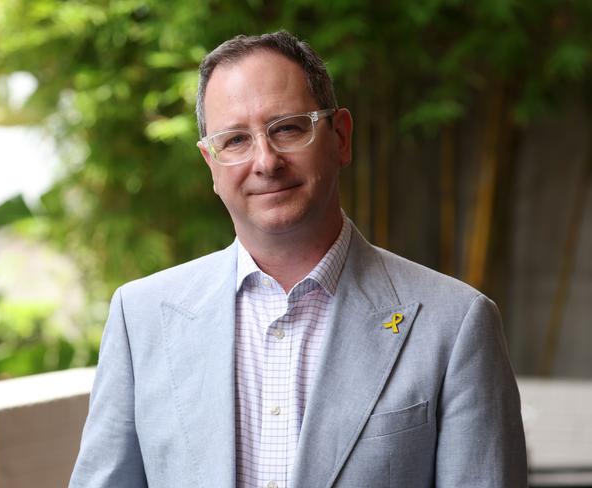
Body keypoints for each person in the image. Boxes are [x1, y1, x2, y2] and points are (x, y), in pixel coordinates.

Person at [69, 31, 527, 488]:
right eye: (234, 141)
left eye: (287, 128)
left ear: (341, 137)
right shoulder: (142, 317)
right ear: (211, 164)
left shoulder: (455, 325)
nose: (266, 162)